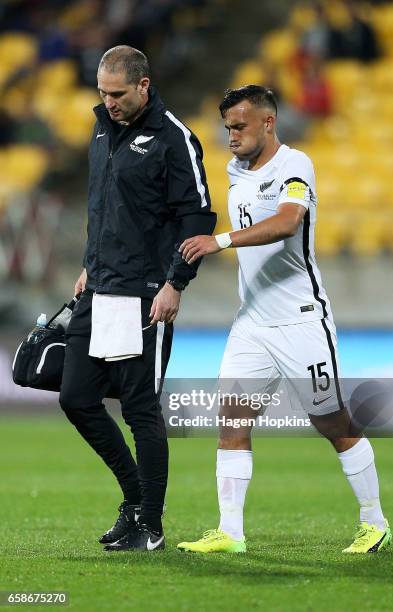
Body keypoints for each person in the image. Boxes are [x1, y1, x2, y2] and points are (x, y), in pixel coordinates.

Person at [177, 85, 391, 554]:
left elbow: (289, 221)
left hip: (300, 320)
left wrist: (221, 241)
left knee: (333, 423)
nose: (231, 136)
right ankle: (230, 533)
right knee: (231, 422)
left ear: (268, 123)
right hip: (251, 322)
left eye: (240, 126)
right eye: (227, 127)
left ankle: (374, 522)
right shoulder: (236, 171)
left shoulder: (295, 166)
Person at [59, 45, 216, 552]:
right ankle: (134, 498)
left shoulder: (175, 138)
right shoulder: (103, 125)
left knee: (140, 409)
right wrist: (89, 264)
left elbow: (196, 219)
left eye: (118, 94)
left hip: (146, 293)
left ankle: (151, 523)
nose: (109, 103)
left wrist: (176, 283)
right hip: (100, 285)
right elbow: (105, 205)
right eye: (102, 93)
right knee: (76, 398)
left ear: (144, 85)